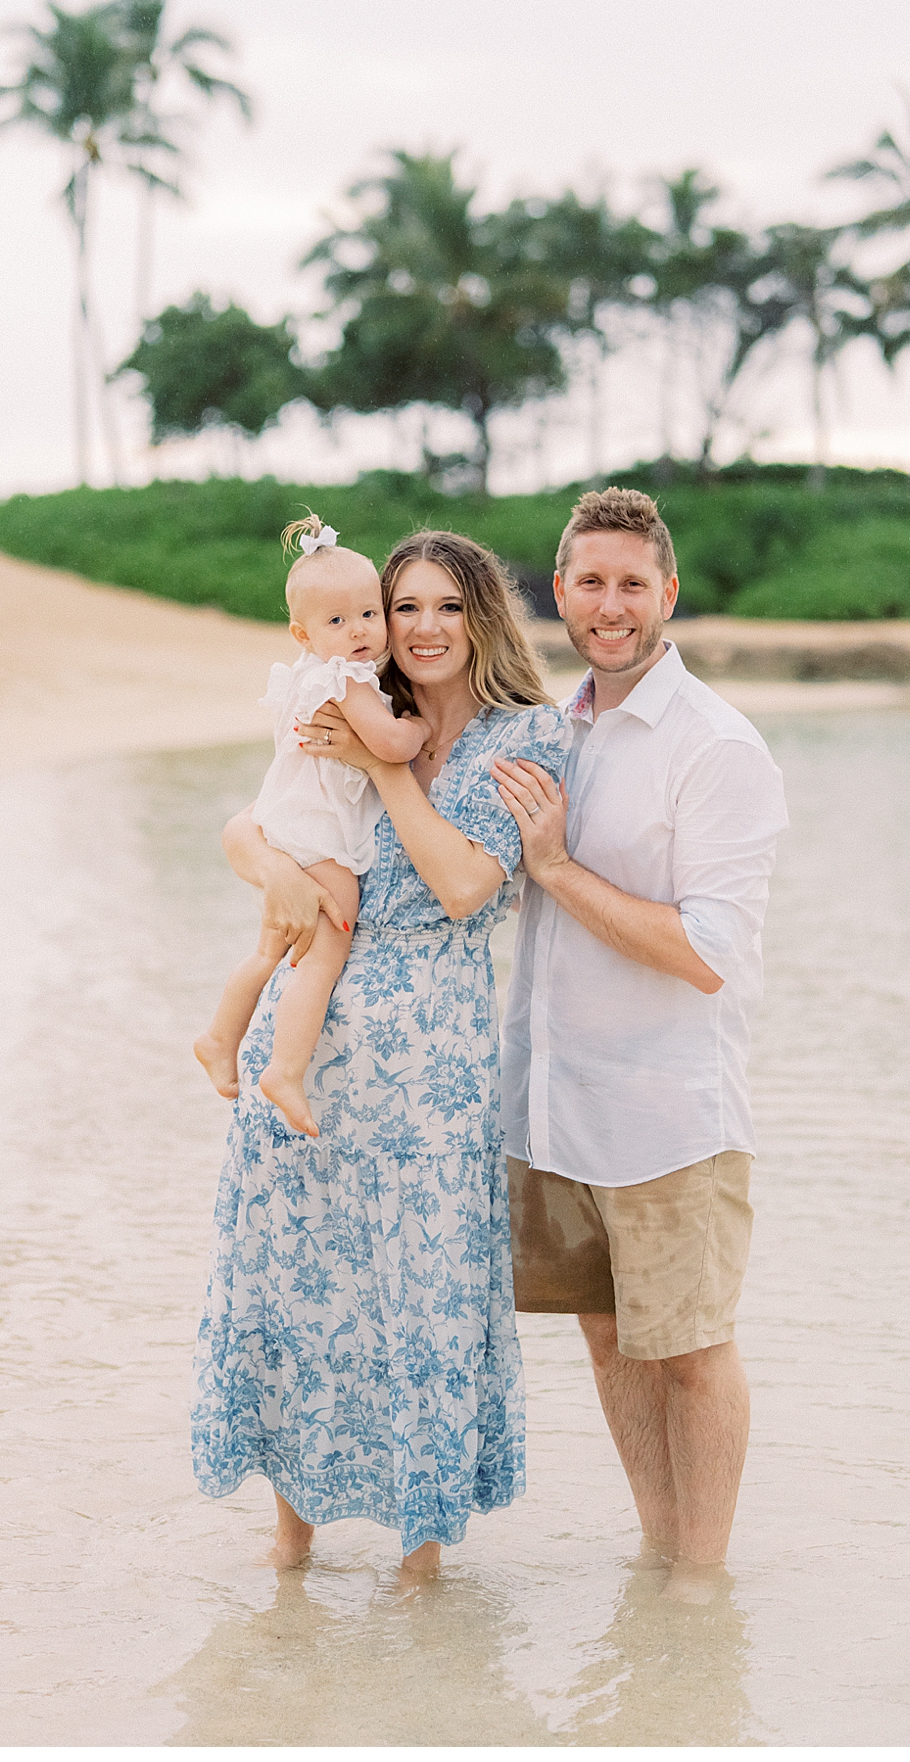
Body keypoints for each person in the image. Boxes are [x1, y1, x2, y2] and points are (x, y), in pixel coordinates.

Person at [193, 530, 571, 1581]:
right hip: (308, 1036)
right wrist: (266, 866)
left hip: (434, 1058)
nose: (422, 627)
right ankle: (290, 1541)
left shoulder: (525, 737)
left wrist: (378, 772)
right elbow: (251, 818)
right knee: (293, 1278)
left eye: (447, 607)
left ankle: (421, 1561)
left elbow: (464, 887)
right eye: (405, 607)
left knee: (426, 1293)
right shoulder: (359, 699)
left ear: (483, 615)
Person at [492, 487, 787, 1604]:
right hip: (557, 1106)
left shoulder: (715, 747)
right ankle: (658, 1550)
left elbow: (711, 951)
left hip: (668, 1114)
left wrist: (560, 870)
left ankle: (700, 1588)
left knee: (694, 1347)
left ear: (667, 594)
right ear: (557, 593)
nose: (608, 605)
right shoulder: (549, 726)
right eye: (588, 582)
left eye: (630, 584)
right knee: (610, 1334)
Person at [193, 514, 431, 1136]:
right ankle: (285, 1070)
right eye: (336, 622)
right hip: (318, 834)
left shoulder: (310, 673)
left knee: (273, 945)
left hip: (284, 821)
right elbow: (389, 745)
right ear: (302, 633)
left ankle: (221, 1038)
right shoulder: (346, 679)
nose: (357, 632)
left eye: (368, 615)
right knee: (325, 953)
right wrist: (420, 729)